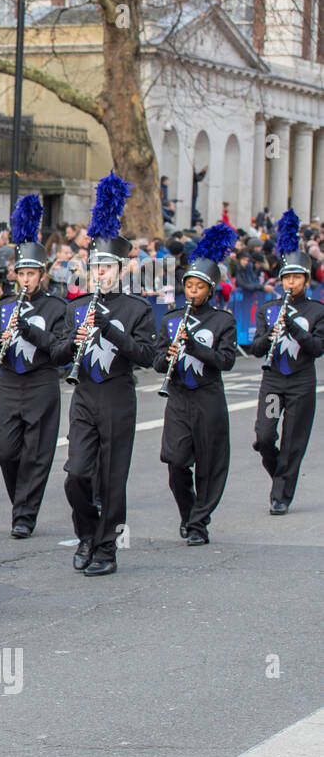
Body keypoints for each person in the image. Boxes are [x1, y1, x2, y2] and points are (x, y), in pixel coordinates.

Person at [53, 173, 157, 576]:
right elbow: (58, 353)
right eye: (95, 266)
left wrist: (110, 329)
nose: (100, 273)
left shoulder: (136, 309)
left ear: (122, 269)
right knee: (77, 474)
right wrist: (75, 338)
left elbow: (146, 356)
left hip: (117, 394)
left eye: (107, 267)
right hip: (85, 396)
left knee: (113, 477)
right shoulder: (75, 307)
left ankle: (107, 548)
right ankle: (86, 534)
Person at [0, 195, 72, 538]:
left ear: (43, 274)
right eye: (21, 273)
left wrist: (31, 329)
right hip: (11, 382)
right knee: (7, 451)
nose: (25, 279)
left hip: (41, 383)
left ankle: (25, 514)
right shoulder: (4, 306)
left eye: (31, 274)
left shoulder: (56, 307)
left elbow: (60, 352)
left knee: (37, 454)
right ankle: (19, 502)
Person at [155, 224, 238, 544]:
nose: (192, 291)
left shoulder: (223, 321)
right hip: (178, 396)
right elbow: (158, 361)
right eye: (188, 285)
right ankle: (189, 514)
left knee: (209, 463)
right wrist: (169, 355)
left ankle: (200, 522)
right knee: (175, 460)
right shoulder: (171, 319)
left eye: (199, 286)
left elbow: (226, 361)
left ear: (209, 290)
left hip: (208, 396)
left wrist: (194, 348)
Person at [250, 209, 324, 515]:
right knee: (265, 437)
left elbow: (318, 348)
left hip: (301, 382)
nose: (291, 282)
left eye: (296, 277)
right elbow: (255, 349)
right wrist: (271, 336)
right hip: (273, 380)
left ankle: (281, 494)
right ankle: (281, 474)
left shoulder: (317, 311)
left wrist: (293, 327)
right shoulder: (269, 309)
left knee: (294, 441)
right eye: (286, 278)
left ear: (305, 280)